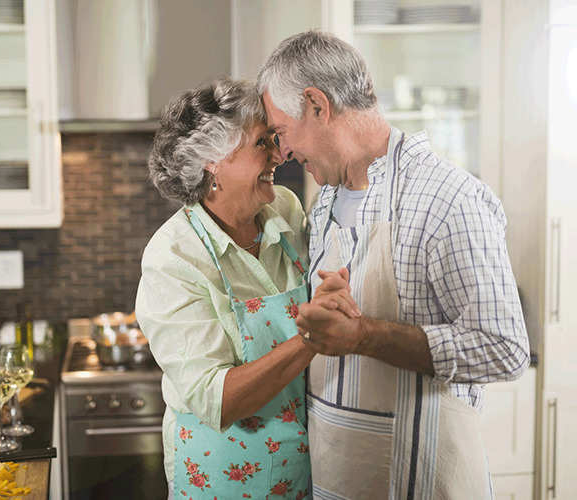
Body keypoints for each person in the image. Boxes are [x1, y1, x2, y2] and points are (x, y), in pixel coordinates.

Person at [256, 30, 530, 499]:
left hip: (426, 479)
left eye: (281, 132)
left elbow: (505, 349)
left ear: (317, 105)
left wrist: (365, 336)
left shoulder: (448, 198)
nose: (282, 153)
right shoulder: (325, 202)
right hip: (341, 477)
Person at [136, 77, 357, 499]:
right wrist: (312, 338)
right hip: (224, 478)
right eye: (261, 143)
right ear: (212, 162)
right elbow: (217, 401)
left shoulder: (285, 210)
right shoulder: (173, 258)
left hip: (306, 469)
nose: (280, 153)